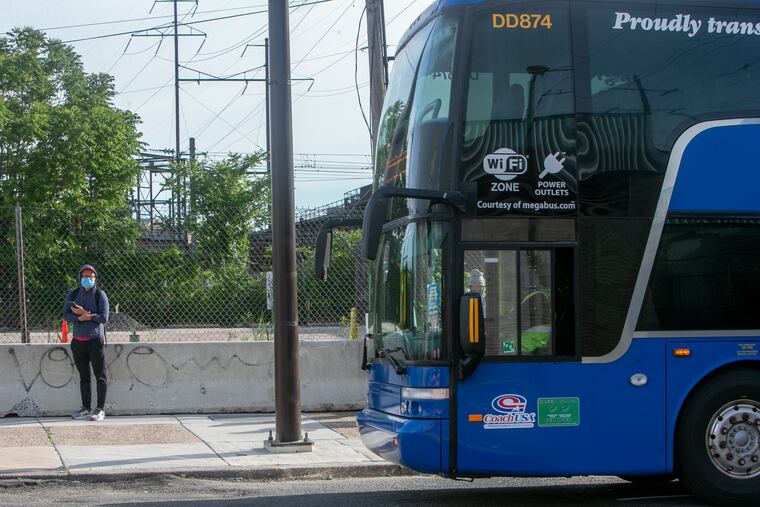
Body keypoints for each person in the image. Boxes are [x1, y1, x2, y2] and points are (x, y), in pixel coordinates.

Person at [63, 264, 110, 421]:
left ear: (95, 278)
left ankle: (100, 409)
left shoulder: (100, 295)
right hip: (78, 342)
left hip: (95, 341)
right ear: (80, 277)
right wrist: (78, 318)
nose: (87, 279)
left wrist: (86, 315)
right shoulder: (74, 293)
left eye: (91, 276)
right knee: (84, 376)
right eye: (84, 276)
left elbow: (103, 318)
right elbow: (66, 315)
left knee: (100, 376)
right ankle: (85, 408)